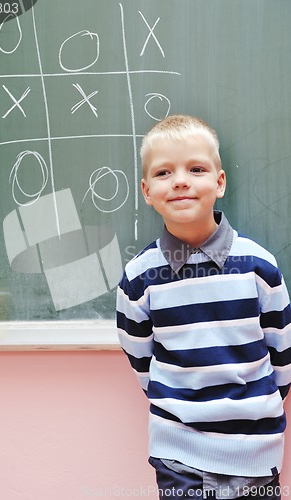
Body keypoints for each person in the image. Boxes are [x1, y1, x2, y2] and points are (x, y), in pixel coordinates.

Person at [116, 115, 291, 499]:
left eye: (196, 169)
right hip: (178, 452)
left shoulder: (258, 266)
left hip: (255, 451)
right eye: (164, 172)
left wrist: (257, 407)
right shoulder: (139, 277)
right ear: (146, 191)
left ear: (220, 182)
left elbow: (282, 353)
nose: (180, 180)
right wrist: (177, 405)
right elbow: (141, 358)